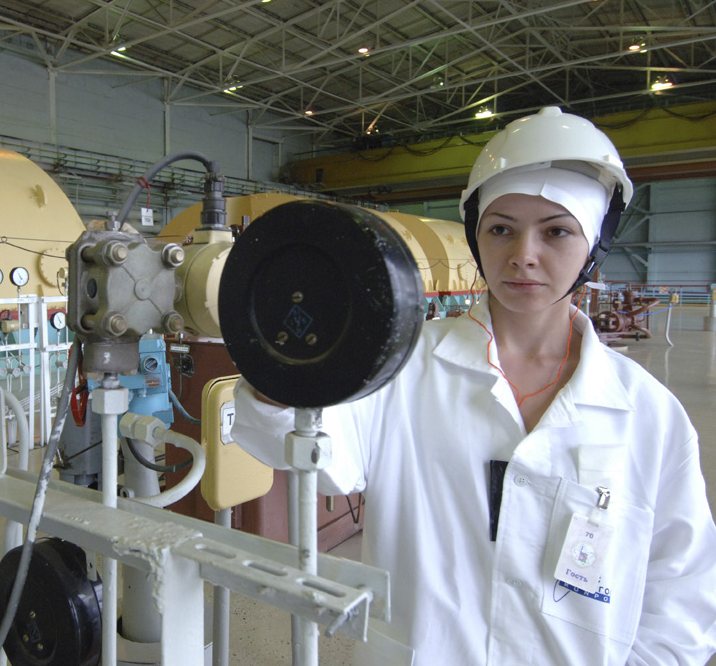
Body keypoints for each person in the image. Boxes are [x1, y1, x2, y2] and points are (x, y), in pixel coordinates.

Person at [231, 107, 716, 665]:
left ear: (595, 247)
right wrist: (277, 354)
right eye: (501, 228)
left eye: (556, 231)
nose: (523, 255)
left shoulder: (648, 415)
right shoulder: (404, 368)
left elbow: (682, 596)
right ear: (475, 235)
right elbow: (315, 455)